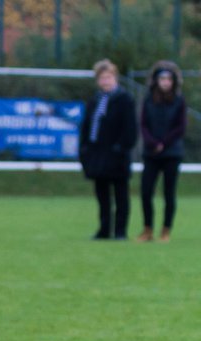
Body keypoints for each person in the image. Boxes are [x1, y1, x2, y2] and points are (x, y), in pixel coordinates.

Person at [79, 59, 137, 240]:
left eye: (109, 77)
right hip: (97, 155)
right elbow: (87, 127)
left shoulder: (124, 100)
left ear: (115, 78)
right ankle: (104, 230)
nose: (105, 81)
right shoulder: (95, 100)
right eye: (102, 78)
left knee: (120, 195)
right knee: (102, 195)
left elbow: (130, 129)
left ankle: (120, 231)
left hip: (117, 155)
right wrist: (85, 149)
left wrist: (120, 148)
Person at [137, 60, 187, 243]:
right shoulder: (148, 100)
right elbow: (143, 124)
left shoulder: (179, 101)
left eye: (168, 79)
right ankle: (147, 229)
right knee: (146, 192)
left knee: (169, 193)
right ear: (156, 80)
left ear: (173, 81)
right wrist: (152, 143)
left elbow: (180, 127)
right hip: (151, 154)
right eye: (162, 78)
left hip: (171, 154)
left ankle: (166, 230)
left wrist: (164, 143)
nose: (165, 82)